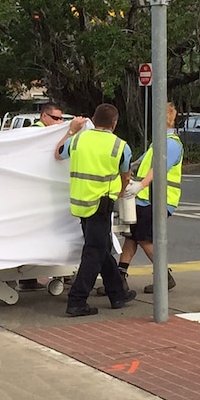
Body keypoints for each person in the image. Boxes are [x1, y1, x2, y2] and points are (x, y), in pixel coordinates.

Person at [54, 103, 137, 317]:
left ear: (93, 119)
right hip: (101, 204)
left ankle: (117, 293)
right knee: (94, 251)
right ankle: (77, 300)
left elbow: (58, 153)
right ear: (114, 123)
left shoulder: (78, 139)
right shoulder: (120, 146)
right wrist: (120, 193)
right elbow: (125, 176)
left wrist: (72, 129)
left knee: (101, 247)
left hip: (80, 203)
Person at [116, 102, 183, 294]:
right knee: (132, 237)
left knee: (144, 239)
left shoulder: (170, 144)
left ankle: (164, 276)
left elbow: (158, 169)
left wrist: (140, 185)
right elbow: (141, 162)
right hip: (145, 199)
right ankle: (119, 278)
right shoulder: (159, 143)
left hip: (157, 200)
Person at [17, 103, 67, 292]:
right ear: (44, 117)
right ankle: (28, 276)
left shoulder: (43, 133)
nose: (59, 122)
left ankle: (28, 277)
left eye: (62, 119)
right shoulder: (37, 134)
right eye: (55, 118)